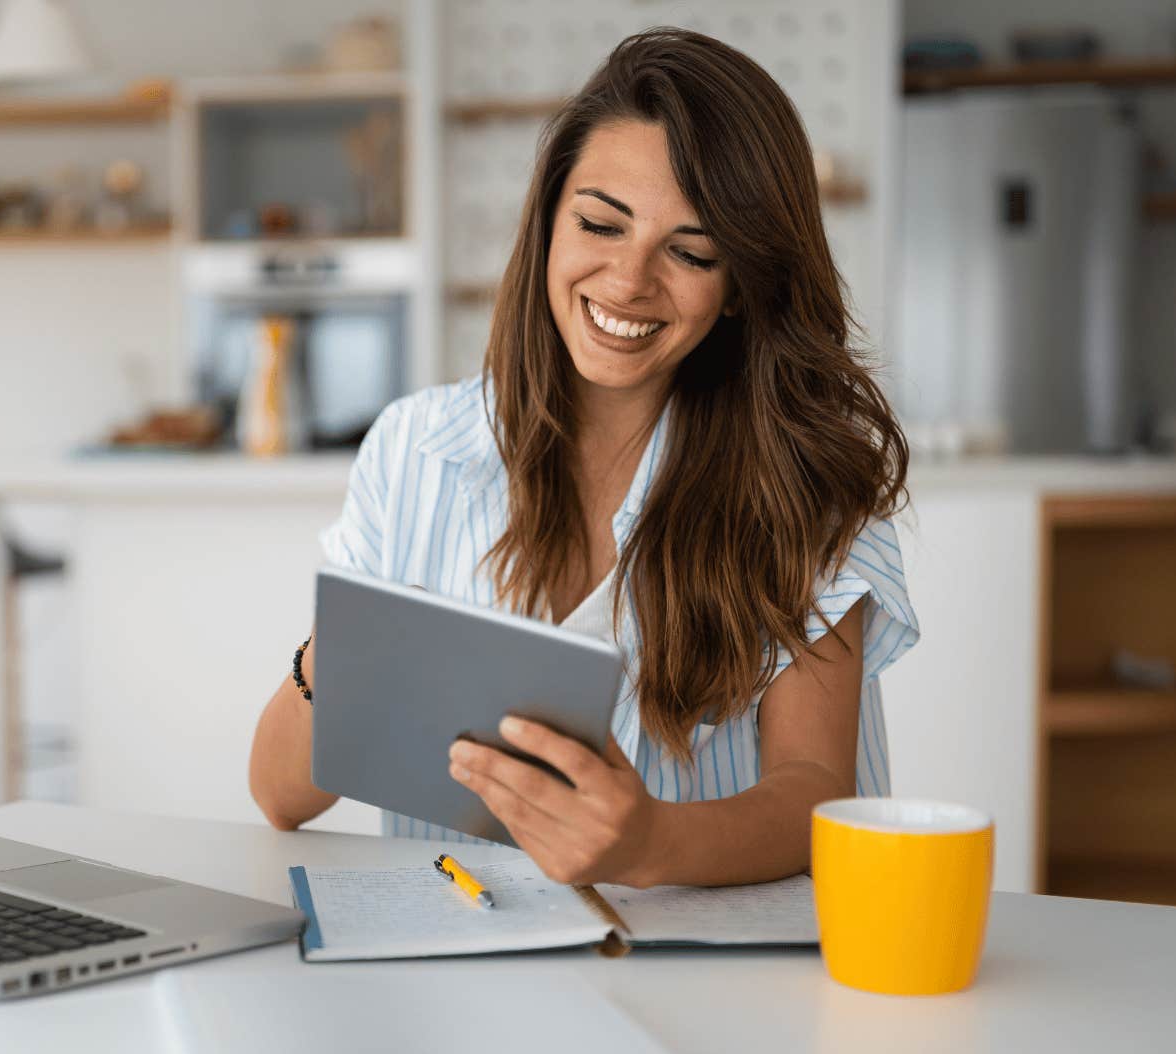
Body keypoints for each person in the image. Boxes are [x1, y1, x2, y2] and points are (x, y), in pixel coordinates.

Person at [247, 28, 920, 889]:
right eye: (601, 223)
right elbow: (278, 796)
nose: (630, 280)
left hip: (699, 983)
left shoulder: (801, 485)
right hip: (451, 978)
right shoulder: (414, 450)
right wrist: (345, 650)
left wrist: (649, 845)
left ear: (742, 285)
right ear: (548, 220)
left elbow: (817, 794)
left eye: (690, 251)